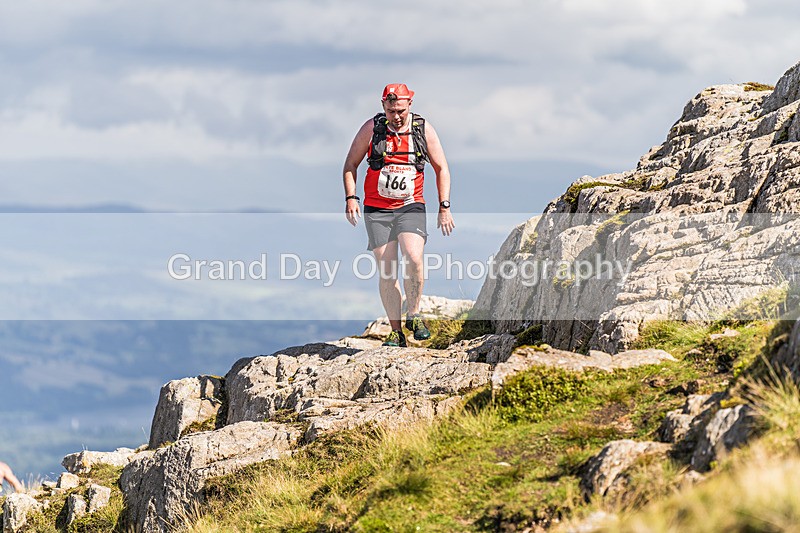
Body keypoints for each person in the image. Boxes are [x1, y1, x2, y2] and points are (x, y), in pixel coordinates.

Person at [343, 83, 455, 347]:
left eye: (401, 110)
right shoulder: (372, 129)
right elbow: (350, 164)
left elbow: (442, 168)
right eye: (391, 110)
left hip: (410, 204)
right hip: (377, 208)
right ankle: (396, 332)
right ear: (383, 106)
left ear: (410, 106)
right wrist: (351, 197)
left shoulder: (422, 130)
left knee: (414, 257)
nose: (396, 116)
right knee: (387, 269)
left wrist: (444, 205)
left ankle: (414, 316)